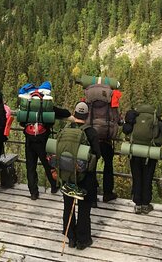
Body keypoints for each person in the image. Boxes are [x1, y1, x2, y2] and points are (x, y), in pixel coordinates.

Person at [18, 82, 74, 200]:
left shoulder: (28, 105)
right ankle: (54, 186)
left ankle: (33, 192)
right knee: (48, 163)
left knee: (30, 166)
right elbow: (65, 113)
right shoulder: (46, 105)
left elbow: (22, 122)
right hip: (43, 139)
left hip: (29, 138)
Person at [60, 102, 101, 251]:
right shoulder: (91, 132)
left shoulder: (66, 129)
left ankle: (71, 237)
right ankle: (83, 240)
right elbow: (97, 154)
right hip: (86, 177)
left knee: (67, 206)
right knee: (84, 208)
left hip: (67, 174)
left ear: (74, 113)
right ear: (87, 115)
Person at [122, 104, 162, 214]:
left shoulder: (135, 117)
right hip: (149, 152)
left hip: (134, 151)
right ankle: (145, 204)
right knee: (148, 178)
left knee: (137, 177)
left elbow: (126, 131)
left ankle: (137, 204)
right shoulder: (155, 119)